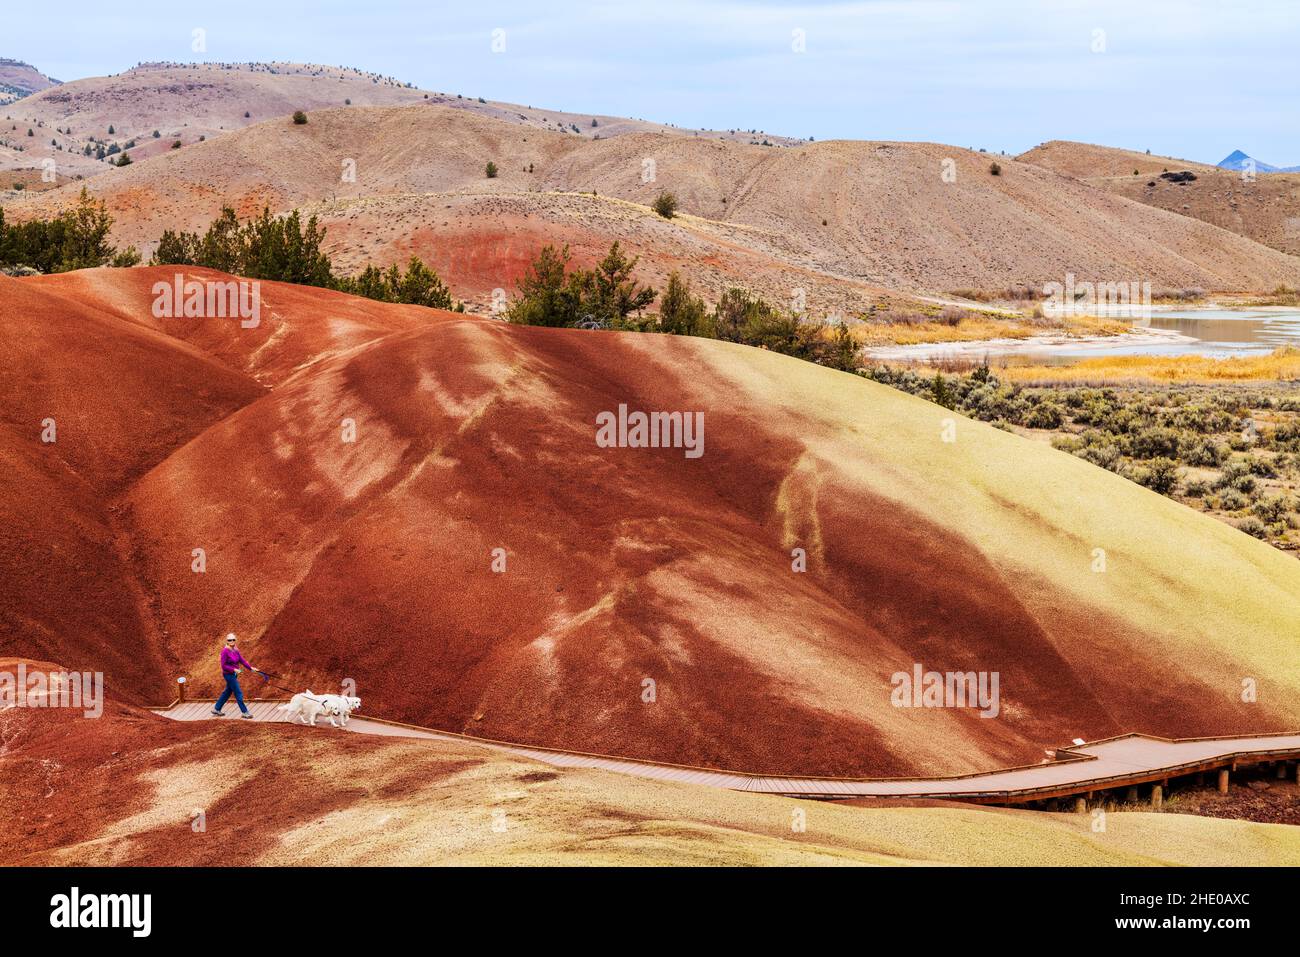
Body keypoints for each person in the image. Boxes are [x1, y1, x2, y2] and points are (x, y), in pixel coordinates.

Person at [212, 633, 259, 719]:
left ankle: (216, 708)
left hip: (234, 674)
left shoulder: (236, 650)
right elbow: (223, 665)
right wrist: (234, 669)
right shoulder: (225, 651)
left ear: (235, 640)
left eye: (233, 640)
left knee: (227, 692)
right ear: (227, 641)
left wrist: (251, 668)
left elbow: (242, 661)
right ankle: (245, 712)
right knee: (238, 692)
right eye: (230, 640)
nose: (232, 641)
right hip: (228, 675)